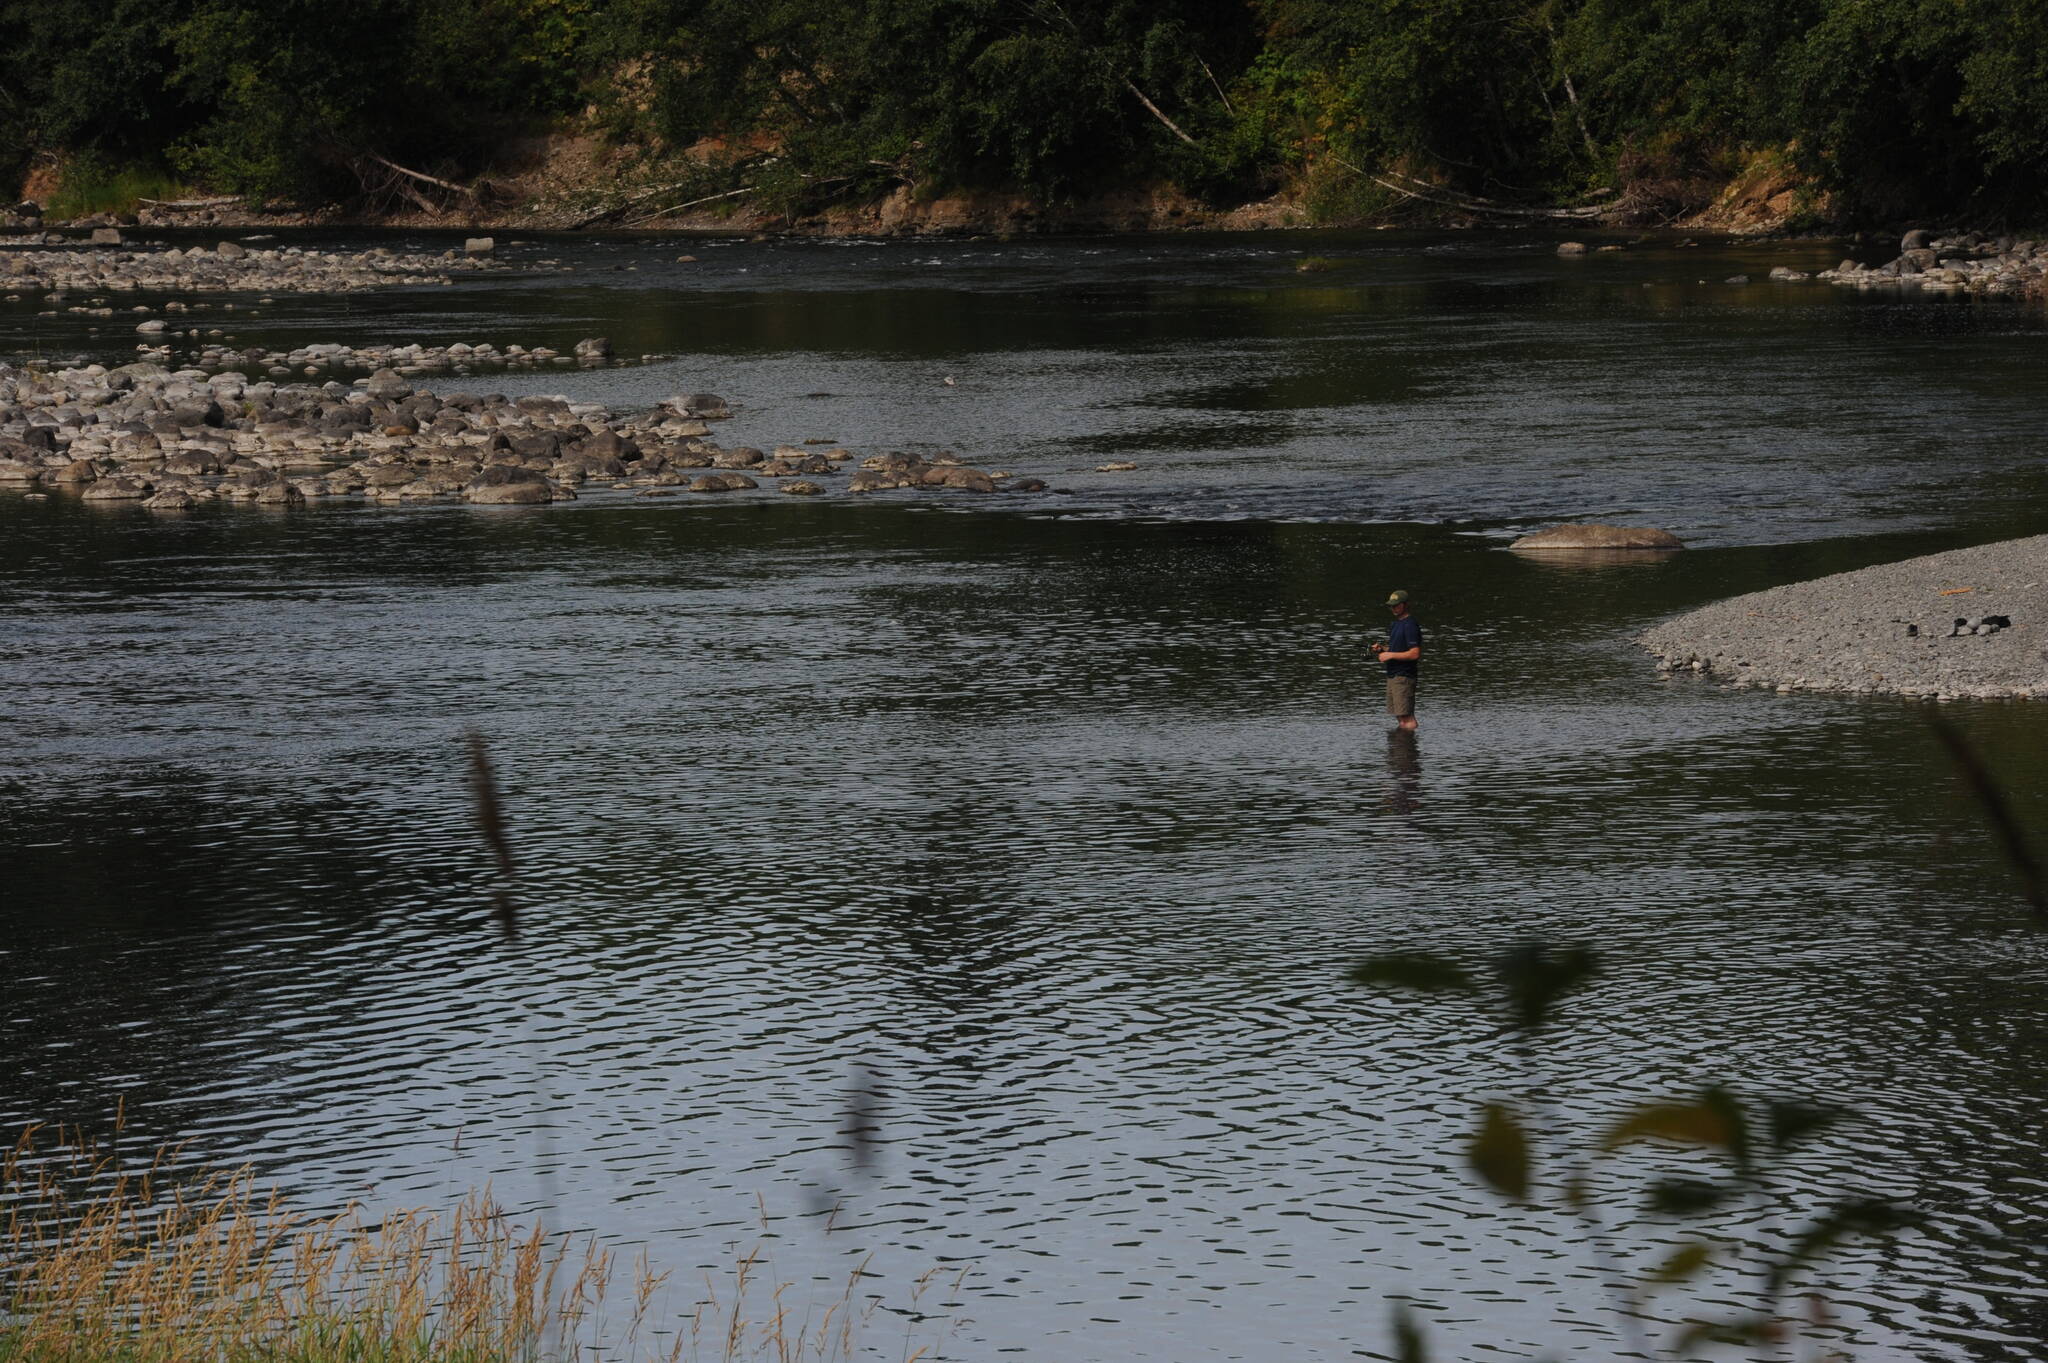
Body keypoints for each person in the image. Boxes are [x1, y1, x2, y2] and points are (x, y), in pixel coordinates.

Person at [1374, 590, 1422, 731]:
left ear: (1405, 605)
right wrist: (1382, 649)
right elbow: (1397, 648)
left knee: (1406, 717)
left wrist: (1390, 655)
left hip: (1404, 676)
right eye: (1391, 606)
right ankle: (1400, 749)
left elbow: (1414, 653)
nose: (1393, 608)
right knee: (1399, 716)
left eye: (1396, 605)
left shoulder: (1410, 625)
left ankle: (1408, 751)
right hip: (1393, 674)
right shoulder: (1395, 624)